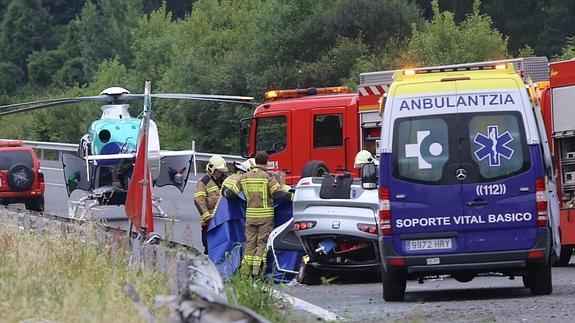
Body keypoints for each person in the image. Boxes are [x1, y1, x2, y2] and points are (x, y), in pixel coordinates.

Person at [224, 151, 292, 277]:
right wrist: (293, 196)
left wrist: (223, 192)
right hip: (265, 218)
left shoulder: (245, 177)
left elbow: (230, 193)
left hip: (250, 217)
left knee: (250, 243)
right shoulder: (267, 177)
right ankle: (257, 272)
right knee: (261, 244)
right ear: (266, 162)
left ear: (255, 161)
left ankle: (244, 271)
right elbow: (278, 194)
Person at [194, 154, 228, 254]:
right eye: (218, 171)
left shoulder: (224, 181)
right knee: (209, 249)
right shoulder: (204, 182)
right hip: (209, 224)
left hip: (222, 221)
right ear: (211, 169)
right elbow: (199, 201)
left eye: (221, 172)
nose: (220, 174)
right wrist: (208, 219)